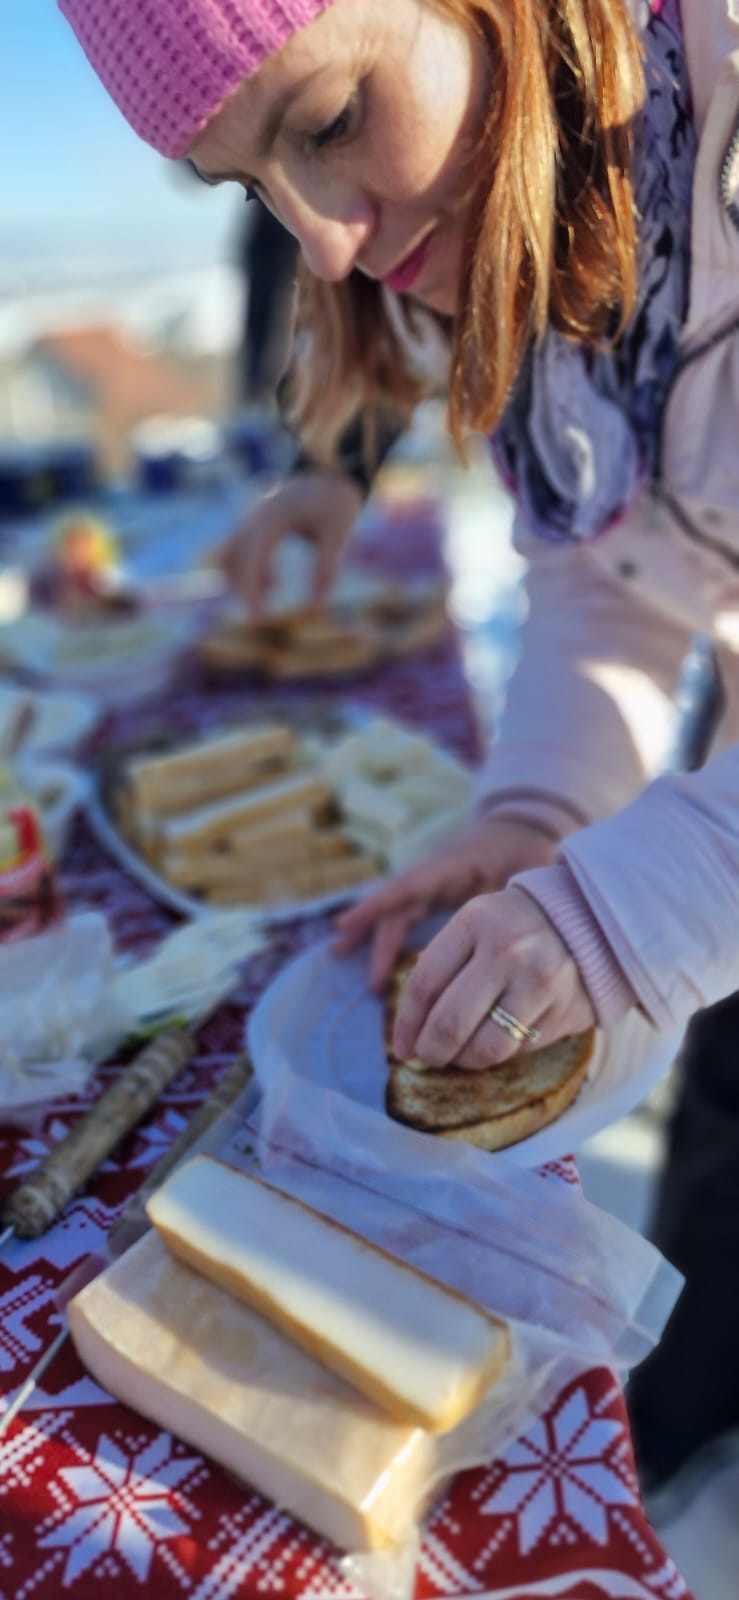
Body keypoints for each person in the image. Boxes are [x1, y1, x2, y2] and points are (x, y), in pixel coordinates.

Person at [60, 0, 739, 1498]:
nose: (321, 247)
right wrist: (539, 816)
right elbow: (612, 583)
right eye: (252, 187)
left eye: (327, 122)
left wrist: (645, 904)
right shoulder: (550, 200)